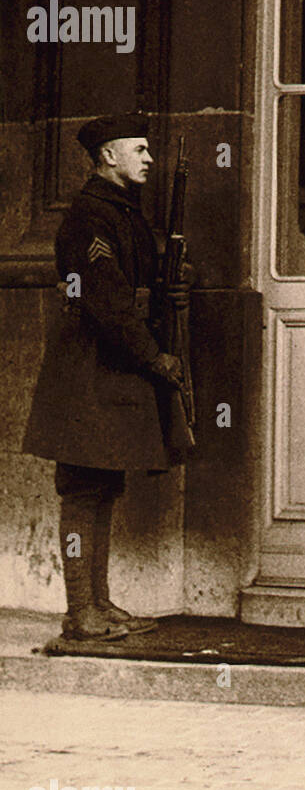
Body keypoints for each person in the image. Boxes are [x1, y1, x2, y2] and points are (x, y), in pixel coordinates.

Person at [22, 114, 186, 641]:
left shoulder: (122, 213)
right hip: (87, 372)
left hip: (108, 371)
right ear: (108, 156)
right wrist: (153, 355)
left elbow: (134, 290)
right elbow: (107, 299)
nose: (149, 158)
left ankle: (99, 603)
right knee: (81, 492)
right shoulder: (90, 217)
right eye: (138, 149)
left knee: (104, 487)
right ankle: (80, 612)